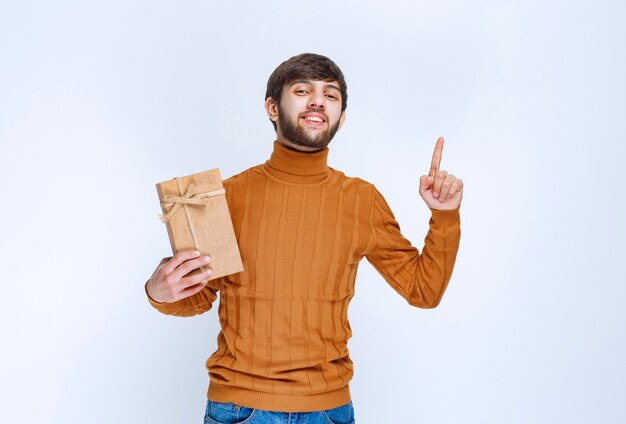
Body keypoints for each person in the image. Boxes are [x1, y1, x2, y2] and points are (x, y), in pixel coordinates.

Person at [145, 53, 463, 423]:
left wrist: (444, 216)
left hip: (328, 411)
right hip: (238, 409)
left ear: (341, 118)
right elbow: (197, 297)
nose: (317, 100)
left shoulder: (362, 200)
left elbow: (423, 291)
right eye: (302, 90)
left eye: (331, 95)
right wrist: (158, 292)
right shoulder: (222, 197)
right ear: (272, 107)